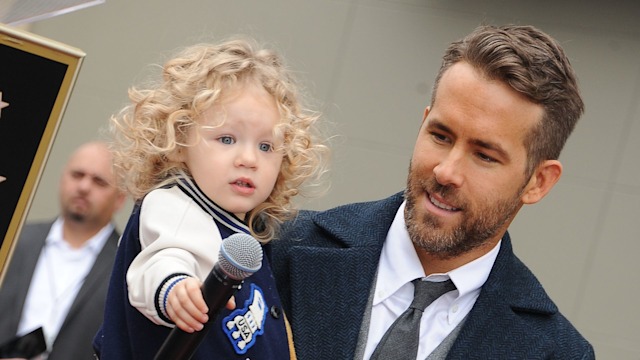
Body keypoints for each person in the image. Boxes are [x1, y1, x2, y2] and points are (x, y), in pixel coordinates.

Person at [270, 24, 595, 360]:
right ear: (423, 123)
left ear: (538, 182)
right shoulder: (275, 247)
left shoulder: (556, 353)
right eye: (440, 136)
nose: (446, 171)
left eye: (484, 155)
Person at [93, 38, 328, 360]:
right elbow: (163, 259)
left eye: (266, 146)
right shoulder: (176, 205)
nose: (249, 158)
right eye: (226, 139)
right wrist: (174, 289)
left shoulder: (242, 228)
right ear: (178, 141)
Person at [0, 141, 126, 360]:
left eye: (99, 181)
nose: (84, 187)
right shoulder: (15, 240)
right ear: (62, 179)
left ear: (120, 199)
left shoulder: (126, 267)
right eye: (77, 175)